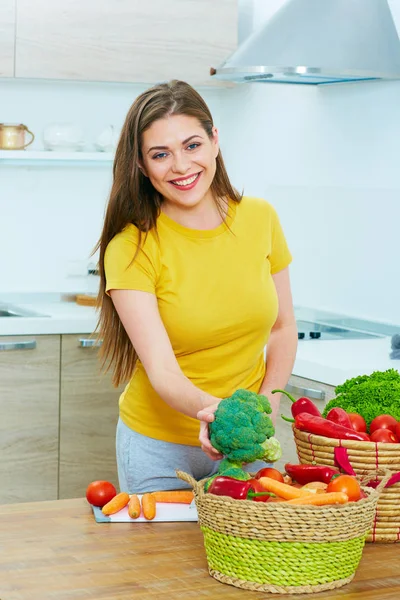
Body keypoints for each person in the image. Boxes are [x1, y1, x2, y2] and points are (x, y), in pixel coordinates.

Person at [95, 79, 298, 494]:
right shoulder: (131, 247)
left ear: (214, 141)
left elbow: (283, 327)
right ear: (140, 165)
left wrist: (268, 405)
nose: (181, 166)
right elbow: (163, 372)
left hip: (245, 444)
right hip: (159, 448)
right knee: (161, 561)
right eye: (160, 155)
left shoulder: (260, 219)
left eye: (192, 146)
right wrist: (218, 414)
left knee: (248, 557)